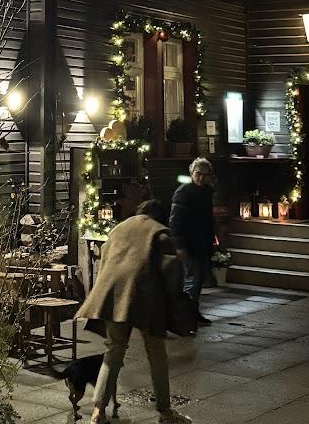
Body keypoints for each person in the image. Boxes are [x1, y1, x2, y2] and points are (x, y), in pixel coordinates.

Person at [76, 200, 192, 424]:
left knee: (114, 350)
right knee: (157, 354)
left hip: (113, 295)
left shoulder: (119, 229)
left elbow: (105, 260)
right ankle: (165, 412)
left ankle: (98, 412)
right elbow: (171, 271)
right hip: (146, 300)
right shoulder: (160, 233)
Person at [169, 157, 216, 326]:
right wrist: (179, 246)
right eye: (198, 174)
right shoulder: (183, 192)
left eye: (205, 174)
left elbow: (208, 219)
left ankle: (193, 312)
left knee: (199, 279)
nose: (201, 178)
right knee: (191, 280)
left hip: (203, 243)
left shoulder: (207, 192)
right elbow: (175, 222)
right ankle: (185, 316)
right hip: (188, 244)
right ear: (192, 173)